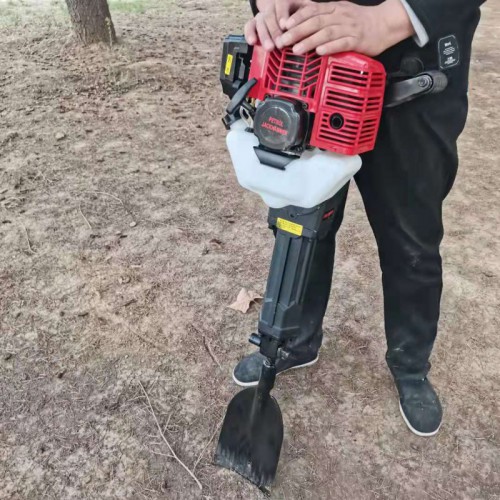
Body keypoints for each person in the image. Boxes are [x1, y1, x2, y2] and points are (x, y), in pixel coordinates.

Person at [232, 0, 486, 437]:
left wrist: (394, 18)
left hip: (415, 74)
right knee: (300, 218)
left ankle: (410, 364)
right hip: (306, 66)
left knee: (412, 239)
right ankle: (296, 340)